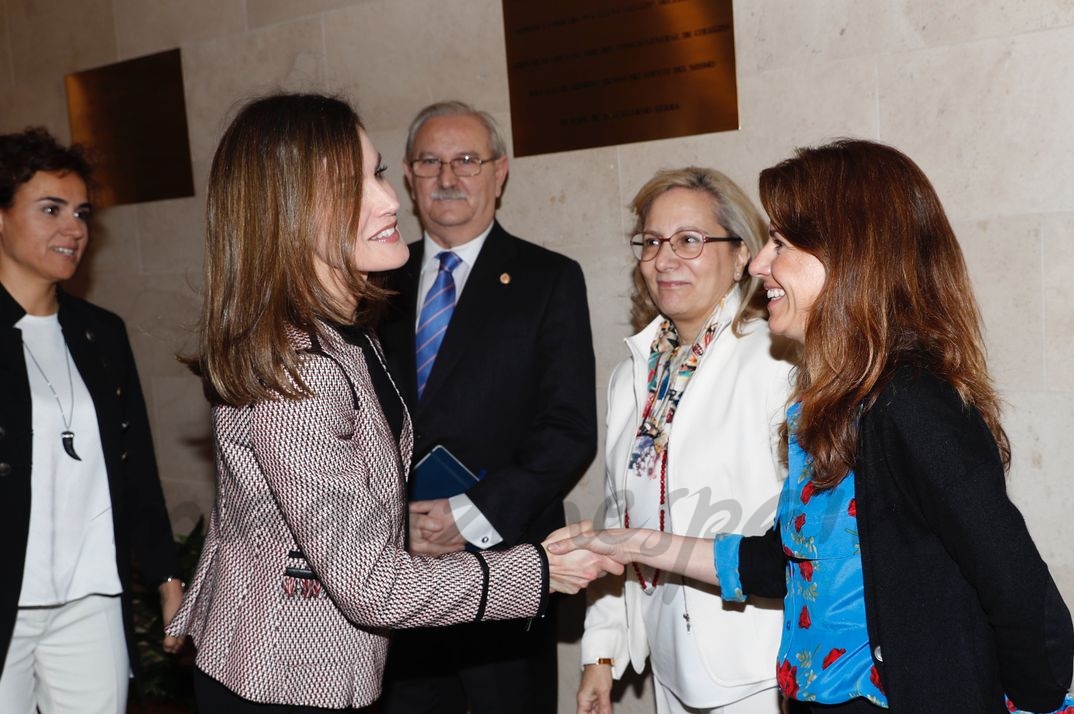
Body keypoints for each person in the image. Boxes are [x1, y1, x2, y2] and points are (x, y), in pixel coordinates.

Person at [552, 139, 1074, 714]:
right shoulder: (832, 402)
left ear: (850, 254)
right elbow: (784, 561)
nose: (759, 265)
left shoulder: (912, 405)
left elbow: (1025, 602)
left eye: (780, 243)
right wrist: (626, 543)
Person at [164, 93, 617, 714]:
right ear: (289, 213)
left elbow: (317, 503)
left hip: (330, 652)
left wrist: (422, 524)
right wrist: (539, 572)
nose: (391, 201)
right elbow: (368, 585)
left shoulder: (344, 332)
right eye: (357, 185)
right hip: (290, 674)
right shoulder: (300, 370)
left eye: (376, 174)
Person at [377, 101, 597, 714]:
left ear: (500, 173)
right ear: (407, 176)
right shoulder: (371, 287)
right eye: (431, 161)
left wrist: (468, 515)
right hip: (396, 574)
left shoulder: (548, 279)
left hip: (506, 568)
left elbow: (569, 429)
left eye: (467, 160)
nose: (448, 177)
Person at [577, 168, 794, 714]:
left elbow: (804, 529)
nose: (664, 259)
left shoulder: (775, 359)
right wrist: (599, 654)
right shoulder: (633, 371)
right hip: (668, 657)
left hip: (756, 662)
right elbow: (619, 516)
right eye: (651, 242)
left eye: (690, 241)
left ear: (741, 253)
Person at [0, 127, 183, 713]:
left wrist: (166, 578)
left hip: (90, 599)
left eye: (81, 212)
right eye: (50, 209)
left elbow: (138, 469)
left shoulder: (101, 332)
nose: (74, 228)